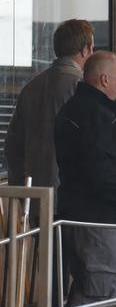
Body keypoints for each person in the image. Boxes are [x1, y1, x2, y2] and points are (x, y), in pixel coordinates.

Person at [55, 51, 116, 307]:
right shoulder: (97, 117)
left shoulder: (72, 110)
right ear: (104, 79)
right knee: (97, 296)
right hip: (101, 221)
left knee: (90, 290)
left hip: (79, 214)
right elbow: (101, 171)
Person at [6, 19, 94, 212]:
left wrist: (22, 188)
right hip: (72, 197)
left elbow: (12, 146)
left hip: (35, 195)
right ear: (86, 49)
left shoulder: (31, 88)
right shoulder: (83, 88)